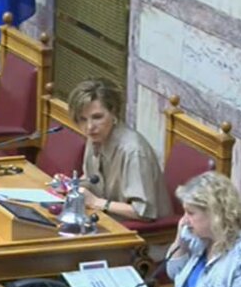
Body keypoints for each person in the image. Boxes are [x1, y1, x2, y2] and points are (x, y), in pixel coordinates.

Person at [61, 78, 170, 221]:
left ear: (114, 112)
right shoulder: (95, 136)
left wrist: (96, 202)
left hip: (142, 230)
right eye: (83, 119)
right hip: (107, 219)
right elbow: (93, 181)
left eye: (97, 117)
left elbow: (143, 212)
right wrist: (69, 186)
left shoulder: (133, 152)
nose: (89, 127)